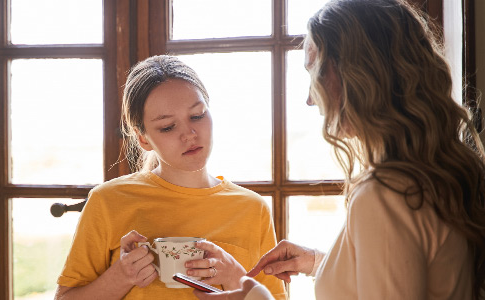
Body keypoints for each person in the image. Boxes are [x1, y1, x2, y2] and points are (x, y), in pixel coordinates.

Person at [194, 0, 485, 299]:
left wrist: (256, 297)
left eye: (316, 72)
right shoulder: (435, 175)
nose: (310, 98)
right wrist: (322, 263)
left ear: (358, 73)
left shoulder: (385, 195)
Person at [54, 55, 286, 299]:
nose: (189, 134)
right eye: (167, 127)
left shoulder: (252, 209)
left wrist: (235, 278)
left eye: (197, 116)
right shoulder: (107, 201)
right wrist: (120, 277)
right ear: (143, 138)